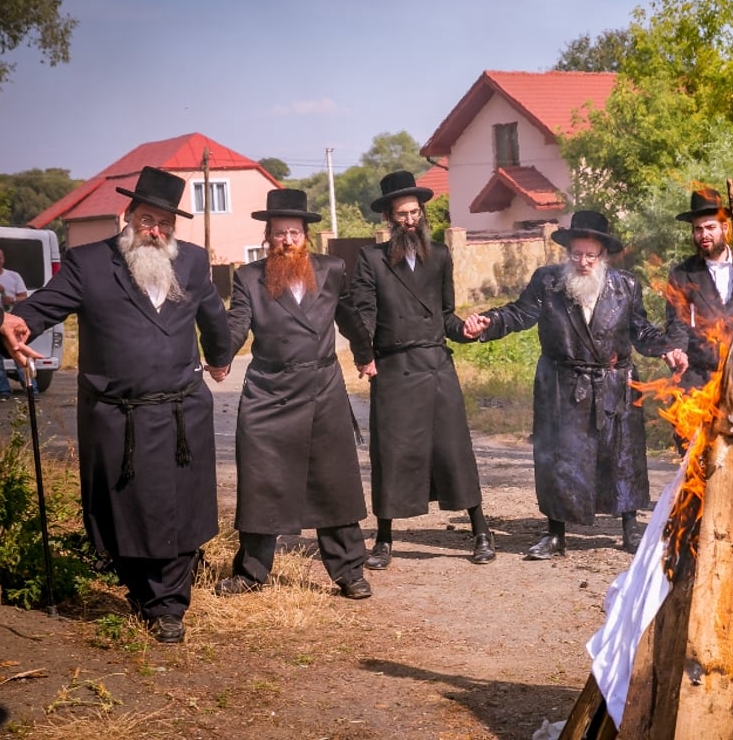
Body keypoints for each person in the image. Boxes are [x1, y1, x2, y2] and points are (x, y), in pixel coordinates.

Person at [10, 166, 232, 643]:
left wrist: (219, 358)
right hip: (118, 415)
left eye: (166, 223)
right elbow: (45, 305)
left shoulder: (191, 262)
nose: (156, 231)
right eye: (148, 219)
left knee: (178, 508)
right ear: (127, 216)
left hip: (179, 412)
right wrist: (15, 322)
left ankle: (168, 606)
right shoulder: (89, 263)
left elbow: (212, 317)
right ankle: (141, 588)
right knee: (126, 509)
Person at [471, 211, 688, 558]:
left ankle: (630, 530)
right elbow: (519, 313)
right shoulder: (548, 282)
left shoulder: (626, 285)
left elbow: (641, 331)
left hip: (615, 383)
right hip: (562, 384)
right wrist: (490, 322)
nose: (583, 262)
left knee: (622, 458)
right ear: (567, 252)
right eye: (577, 254)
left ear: (603, 255)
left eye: (591, 255)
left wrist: (667, 350)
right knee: (559, 458)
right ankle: (555, 534)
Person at [207, 189, 374, 599]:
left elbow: (349, 316)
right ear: (268, 237)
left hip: (323, 389)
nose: (287, 241)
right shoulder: (249, 276)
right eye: (279, 233)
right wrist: (219, 354)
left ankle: (349, 572)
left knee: (333, 482)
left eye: (294, 233)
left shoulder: (332, 269)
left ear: (307, 236)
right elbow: (237, 323)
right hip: (269, 391)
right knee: (262, 481)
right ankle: (250, 573)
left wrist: (365, 356)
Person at [349, 171, 495, 569]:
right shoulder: (371, 260)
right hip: (394, 370)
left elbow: (445, 316)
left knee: (455, 450)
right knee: (392, 453)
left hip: (436, 366)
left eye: (415, 212)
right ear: (389, 219)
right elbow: (363, 316)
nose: (411, 220)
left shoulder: (440, 257)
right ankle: (383, 539)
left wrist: (465, 329)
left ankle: (480, 530)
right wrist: (364, 355)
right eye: (402, 215)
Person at [664, 186, 733, 393]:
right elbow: (676, 322)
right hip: (699, 375)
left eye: (710, 227)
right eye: (698, 229)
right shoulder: (681, 273)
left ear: (724, 228)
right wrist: (678, 351)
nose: (704, 234)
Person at [0, 246, 31, 400]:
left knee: (19, 354)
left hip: (13, 322)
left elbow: (24, 297)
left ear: (3, 259)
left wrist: (11, 299)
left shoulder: (13, 276)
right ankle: (3, 391)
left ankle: (31, 388)